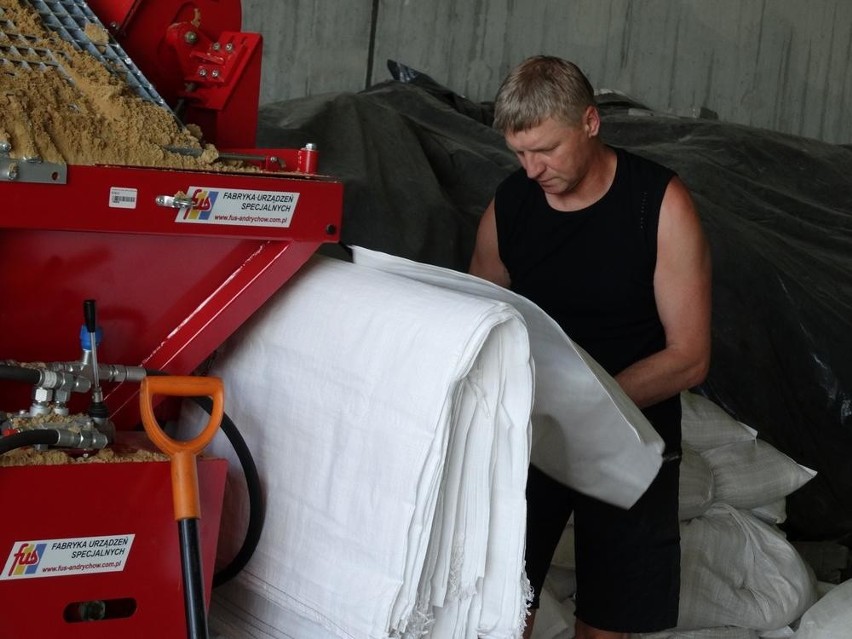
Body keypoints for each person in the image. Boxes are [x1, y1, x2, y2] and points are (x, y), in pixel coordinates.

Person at [469, 56, 712, 639]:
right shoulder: (511, 204)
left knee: (608, 620)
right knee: (498, 605)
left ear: (591, 122)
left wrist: (588, 398)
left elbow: (690, 355)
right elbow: (476, 316)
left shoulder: (659, 206)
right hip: (531, 427)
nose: (532, 170)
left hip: (630, 428)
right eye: (519, 153)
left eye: (546, 150)